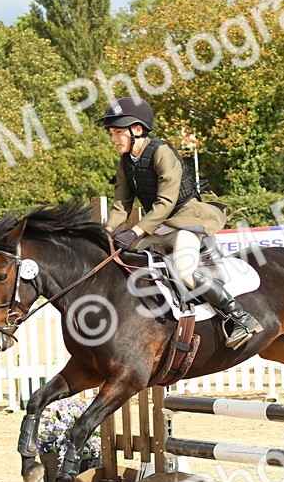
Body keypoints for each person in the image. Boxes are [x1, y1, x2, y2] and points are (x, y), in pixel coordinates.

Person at [99, 96, 263, 349]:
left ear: (137, 129)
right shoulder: (126, 162)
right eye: (112, 133)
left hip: (187, 221)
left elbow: (166, 202)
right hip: (160, 226)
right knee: (126, 258)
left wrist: (135, 231)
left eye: (117, 132)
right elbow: (122, 203)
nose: (113, 139)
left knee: (185, 271)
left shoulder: (162, 153)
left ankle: (240, 318)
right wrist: (107, 231)